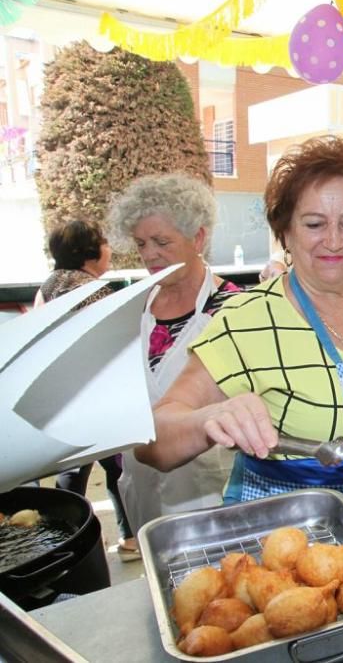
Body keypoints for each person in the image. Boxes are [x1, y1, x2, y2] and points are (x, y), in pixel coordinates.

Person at [140, 136, 343, 499]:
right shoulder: (248, 319)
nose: (334, 241)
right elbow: (153, 441)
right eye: (315, 224)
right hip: (279, 534)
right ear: (285, 232)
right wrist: (208, 421)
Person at [107, 173, 241, 530]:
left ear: (198, 236)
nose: (150, 255)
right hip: (143, 482)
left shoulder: (235, 308)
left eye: (161, 241)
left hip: (209, 487)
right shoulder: (134, 309)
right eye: (141, 244)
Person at [36, 220, 138, 560]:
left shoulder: (49, 285)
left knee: (73, 472)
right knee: (117, 467)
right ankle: (127, 537)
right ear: (88, 252)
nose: (108, 249)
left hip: (64, 394)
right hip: (97, 394)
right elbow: (115, 345)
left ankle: (60, 541)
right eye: (104, 242)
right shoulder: (92, 291)